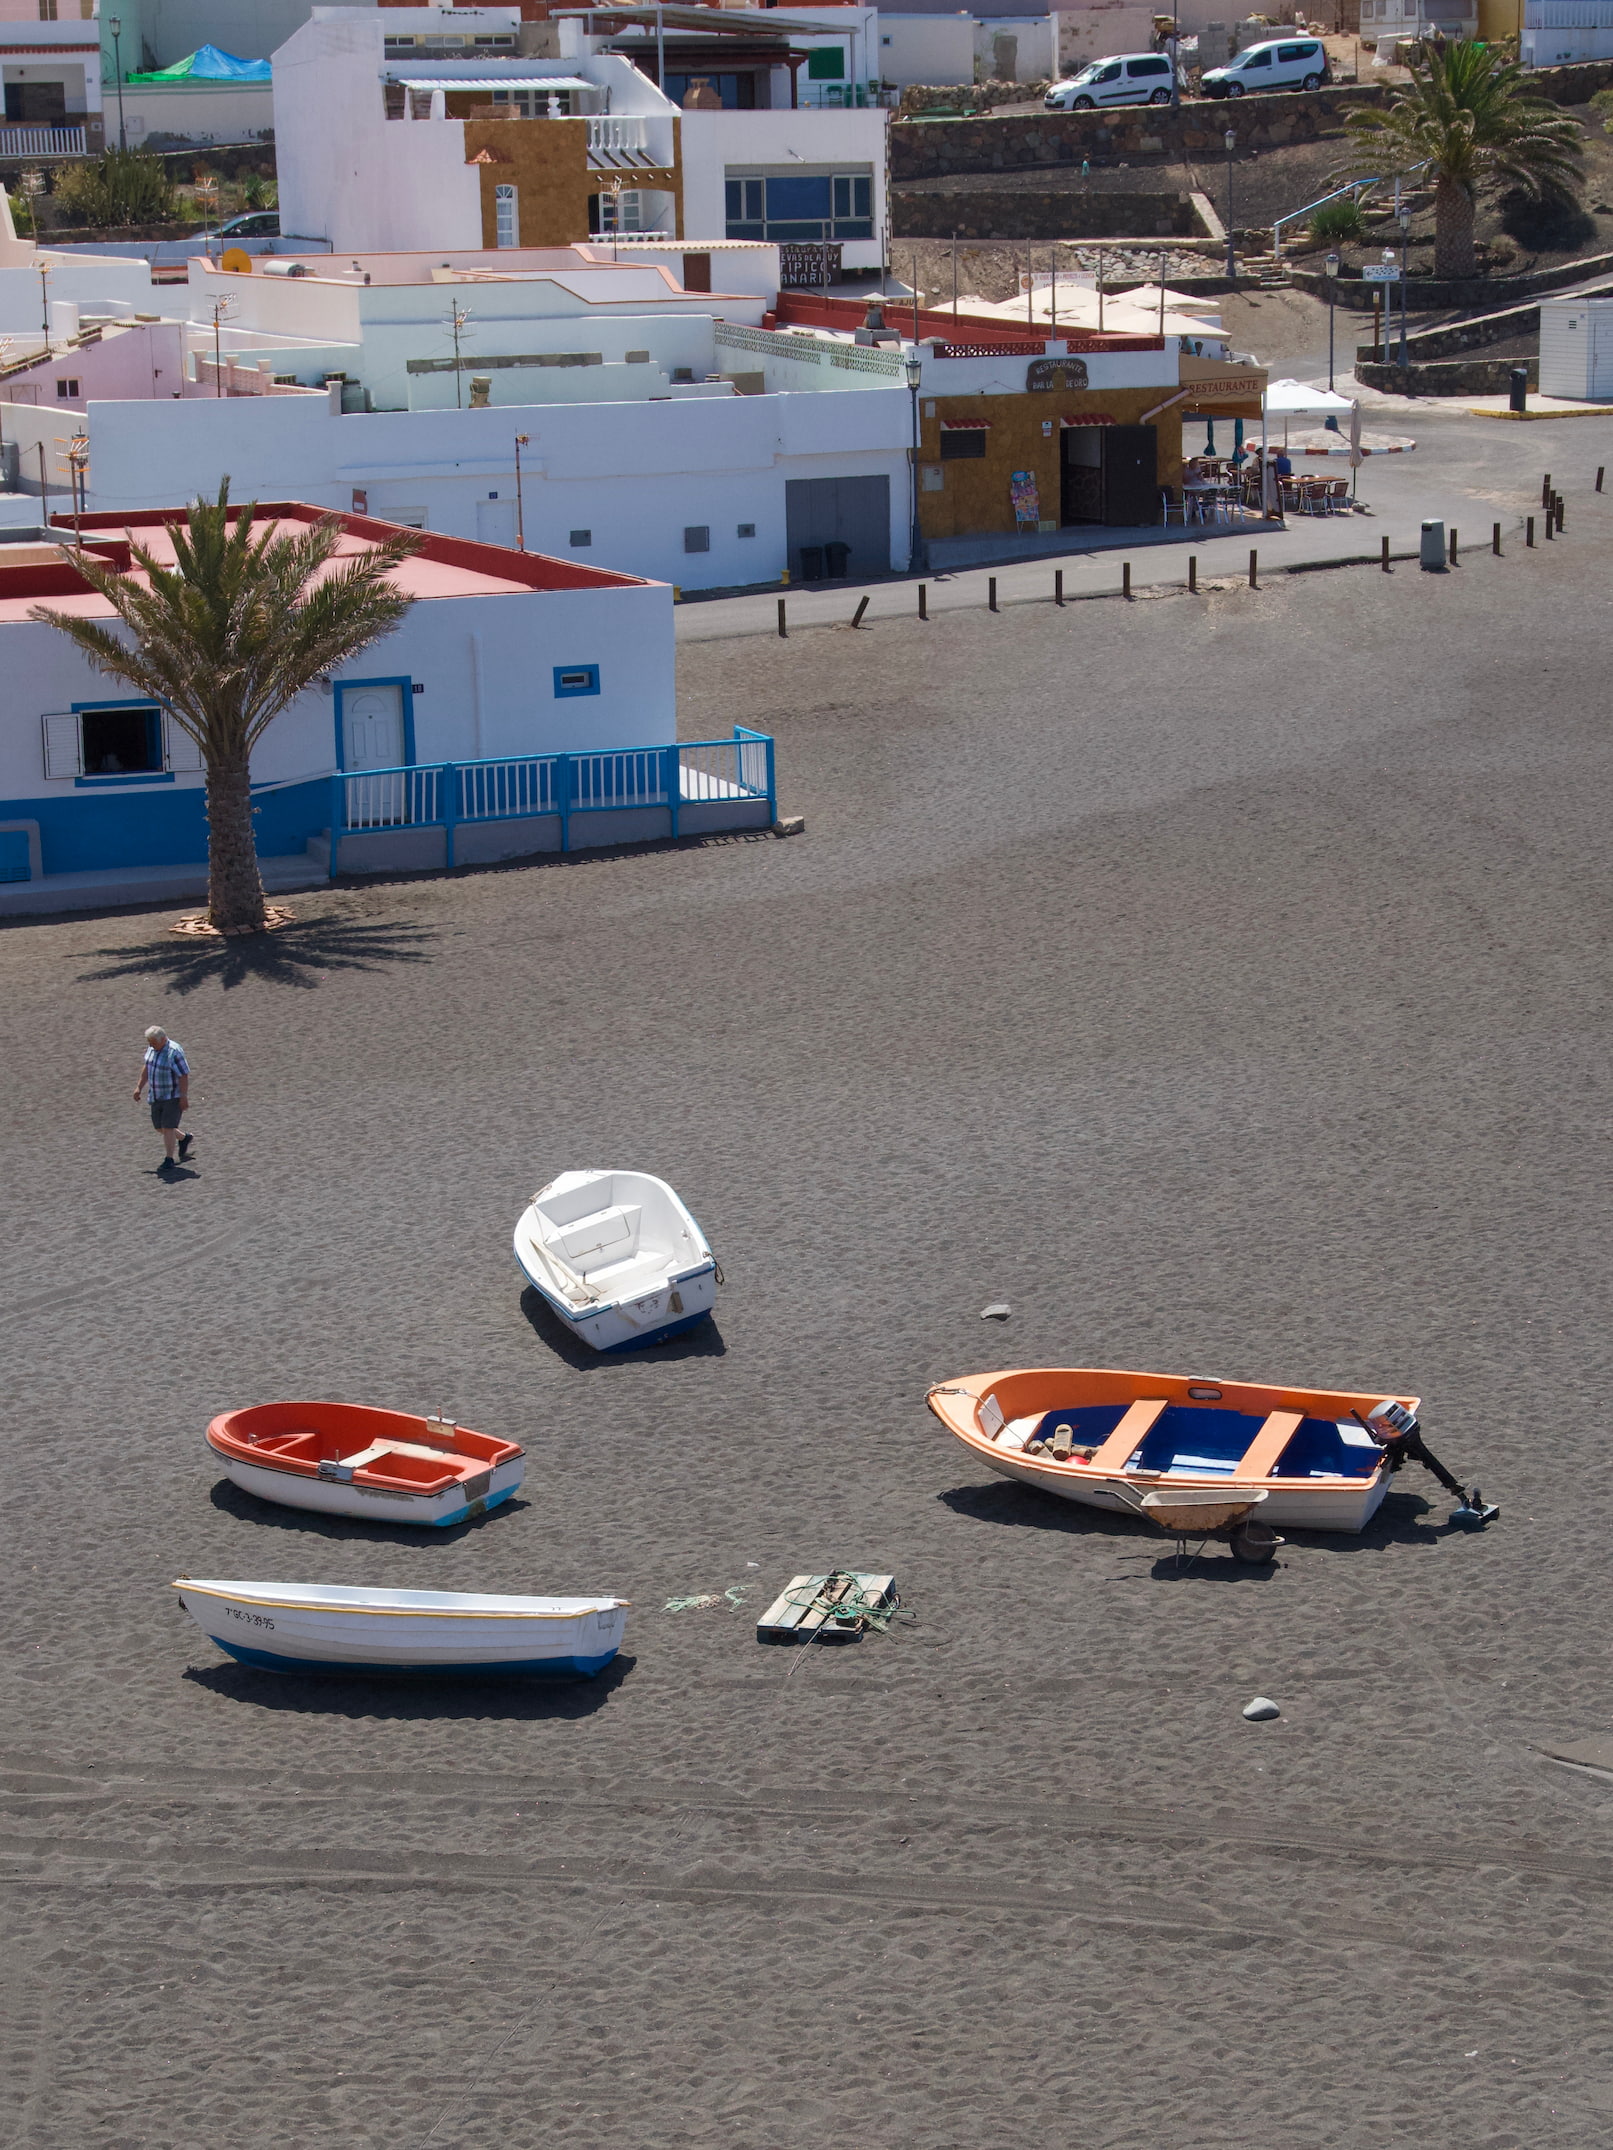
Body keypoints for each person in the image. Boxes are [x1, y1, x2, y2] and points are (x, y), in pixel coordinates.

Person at [135, 1025, 192, 1171]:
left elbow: (183, 1075)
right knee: (159, 1126)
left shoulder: (174, 1052)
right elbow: (147, 1067)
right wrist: (139, 1087)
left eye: (153, 1042)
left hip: (172, 1095)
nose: (151, 1046)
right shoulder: (152, 1049)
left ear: (163, 1039)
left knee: (168, 1127)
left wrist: (183, 1096)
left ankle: (169, 1158)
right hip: (156, 1095)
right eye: (149, 1043)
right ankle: (184, 1138)